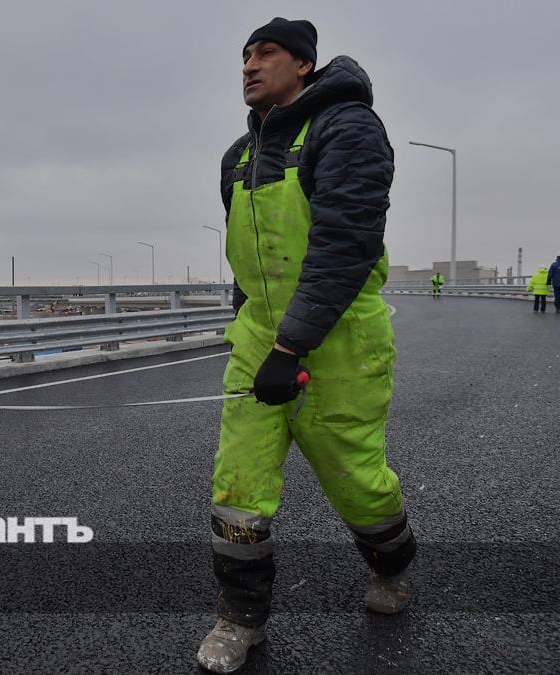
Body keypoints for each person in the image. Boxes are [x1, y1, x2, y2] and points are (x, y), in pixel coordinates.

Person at [199, 18, 415, 673]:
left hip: (341, 345)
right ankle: (240, 618)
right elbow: (246, 260)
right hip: (260, 344)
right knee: (237, 486)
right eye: (244, 55)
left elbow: (345, 243)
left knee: (358, 486)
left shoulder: (347, 128)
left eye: (266, 53)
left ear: (303, 65)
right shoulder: (237, 157)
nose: (248, 65)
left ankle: (392, 565)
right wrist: (251, 331)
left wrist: (291, 347)